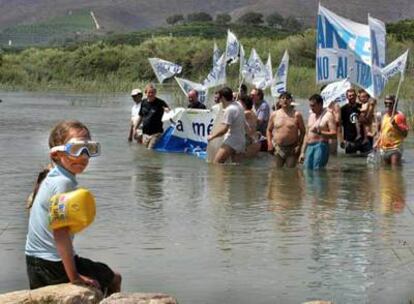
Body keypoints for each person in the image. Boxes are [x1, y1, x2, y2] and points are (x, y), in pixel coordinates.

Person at [25, 120, 121, 295]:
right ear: (56, 154)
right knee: (114, 278)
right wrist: (74, 276)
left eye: (89, 149)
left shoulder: (52, 176)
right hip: (52, 265)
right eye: (76, 149)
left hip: (35, 262)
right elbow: (60, 233)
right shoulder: (63, 183)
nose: (83, 156)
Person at [207, 87, 246, 164]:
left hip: (232, 141)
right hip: (241, 140)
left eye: (220, 98)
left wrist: (212, 136)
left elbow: (224, 129)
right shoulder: (239, 105)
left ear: (223, 98)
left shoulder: (229, 110)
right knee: (236, 168)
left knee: (217, 163)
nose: (220, 101)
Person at [267, 92, 306, 168]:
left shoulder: (297, 115)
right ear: (279, 101)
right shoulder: (274, 114)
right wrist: (269, 144)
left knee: (290, 172)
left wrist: (299, 146)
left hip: (292, 148)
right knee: (277, 173)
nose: (285, 100)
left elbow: (303, 132)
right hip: (277, 148)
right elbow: (268, 130)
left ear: (291, 101)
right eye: (283, 98)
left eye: (287, 98)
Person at [300, 94, 337, 170]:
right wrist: (302, 152)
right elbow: (307, 135)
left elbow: (334, 134)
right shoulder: (311, 115)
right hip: (310, 146)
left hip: (321, 145)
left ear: (320, 104)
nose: (311, 108)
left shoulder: (328, 115)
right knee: (306, 170)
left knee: (317, 171)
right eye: (310, 105)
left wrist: (320, 132)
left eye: (313, 105)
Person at [374, 95, 409, 166]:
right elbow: (383, 132)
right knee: (385, 173)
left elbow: (405, 134)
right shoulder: (384, 116)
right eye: (386, 103)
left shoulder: (399, 116)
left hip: (395, 149)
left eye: (390, 103)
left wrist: (395, 125)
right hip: (383, 149)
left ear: (395, 104)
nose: (388, 105)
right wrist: (377, 142)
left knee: (394, 172)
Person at [135, 83, 170, 149]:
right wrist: (135, 129)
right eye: (149, 92)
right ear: (145, 93)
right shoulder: (143, 102)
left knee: (150, 150)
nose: (151, 94)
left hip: (156, 133)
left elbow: (170, 112)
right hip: (145, 133)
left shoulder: (161, 102)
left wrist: (167, 110)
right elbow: (140, 116)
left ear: (155, 93)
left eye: (152, 92)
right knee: (145, 151)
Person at [339, 88, 372, 154]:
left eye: (353, 95)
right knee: (350, 161)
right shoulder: (343, 109)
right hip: (349, 140)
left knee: (366, 160)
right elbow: (339, 125)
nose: (352, 97)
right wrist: (341, 140)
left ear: (356, 96)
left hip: (362, 140)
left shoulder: (361, 107)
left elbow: (368, 121)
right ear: (347, 97)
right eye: (350, 96)